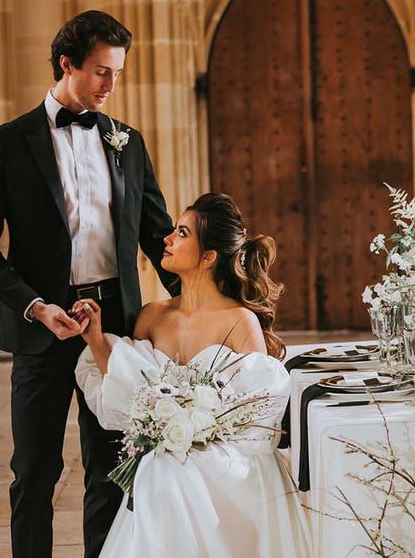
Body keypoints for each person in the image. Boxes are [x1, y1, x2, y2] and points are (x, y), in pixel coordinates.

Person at [0, 10, 175, 558]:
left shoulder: (128, 142)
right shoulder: (8, 143)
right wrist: (32, 305)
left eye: (118, 73)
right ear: (66, 64)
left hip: (116, 330)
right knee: (34, 474)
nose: (111, 85)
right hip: (42, 328)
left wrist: (211, 303)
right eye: (101, 71)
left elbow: (158, 237)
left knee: (110, 471)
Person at [73, 193, 313, 557]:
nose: (167, 240)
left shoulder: (239, 322)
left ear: (209, 256)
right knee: (161, 473)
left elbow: (259, 420)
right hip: (167, 462)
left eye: (181, 233)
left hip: (227, 466)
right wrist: (95, 337)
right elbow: (127, 386)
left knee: (164, 475)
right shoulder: (152, 316)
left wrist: (197, 437)